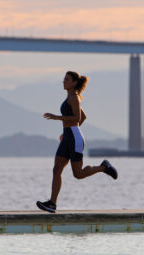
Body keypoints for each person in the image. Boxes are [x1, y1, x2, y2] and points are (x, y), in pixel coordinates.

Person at [37, 71, 117, 213]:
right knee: (56, 170)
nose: (64, 81)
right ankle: (52, 204)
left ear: (74, 82)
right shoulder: (70, 97)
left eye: (67, 79)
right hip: (68, 137)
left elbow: (77, 117)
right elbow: (82, 117)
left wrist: (58, 118)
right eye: (64, 79)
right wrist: (66, 131)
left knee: (78, 174)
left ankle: (103, 167)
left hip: (75, 139)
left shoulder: (74, 98)